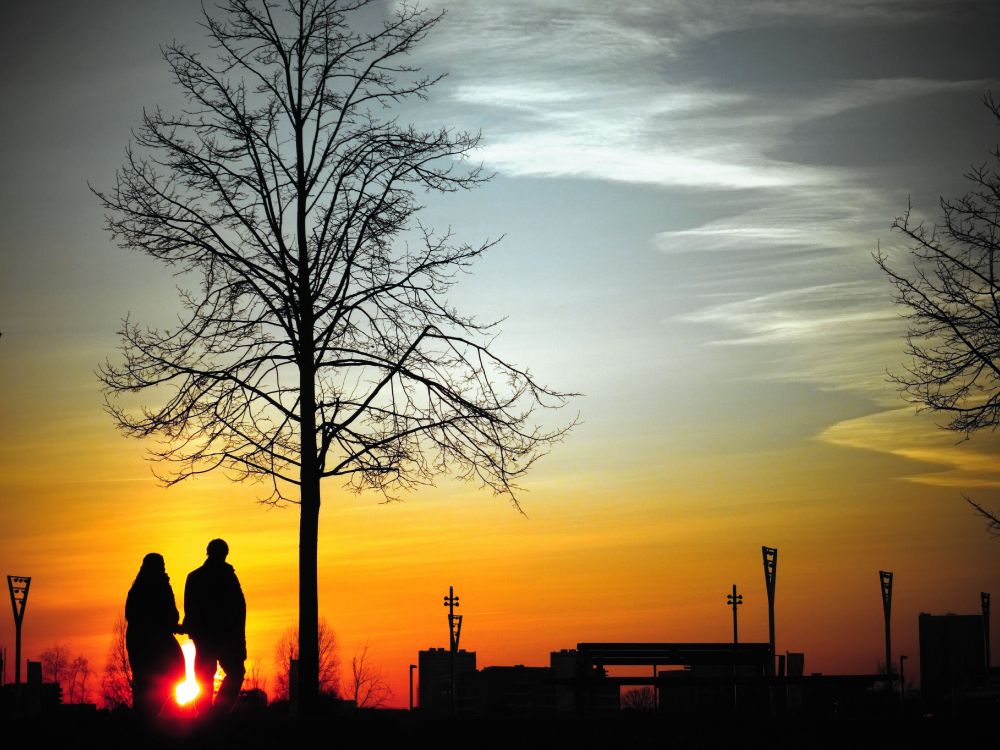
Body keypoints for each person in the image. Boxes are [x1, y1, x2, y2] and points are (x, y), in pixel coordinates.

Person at [182, 538, 246, 715]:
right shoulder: (228, 577)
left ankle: (207, 714)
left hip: (208, 636)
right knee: (233, 672)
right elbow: (239, 608)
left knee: (206, 675)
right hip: (224, 636)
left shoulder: (195, 577)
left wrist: (192, 628)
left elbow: (190, 608)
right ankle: (215, 713)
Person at [125, 553, 185, 719]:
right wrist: (169, 624)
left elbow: (131, 614)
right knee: (164, 677)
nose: (164, 568)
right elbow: (170, 614)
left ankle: (151, 717)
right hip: (152, 642)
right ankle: (152, 719)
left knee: (149, 682)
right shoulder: (160, 586)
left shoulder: (137, 588)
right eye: (161, 565)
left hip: (141, 641)